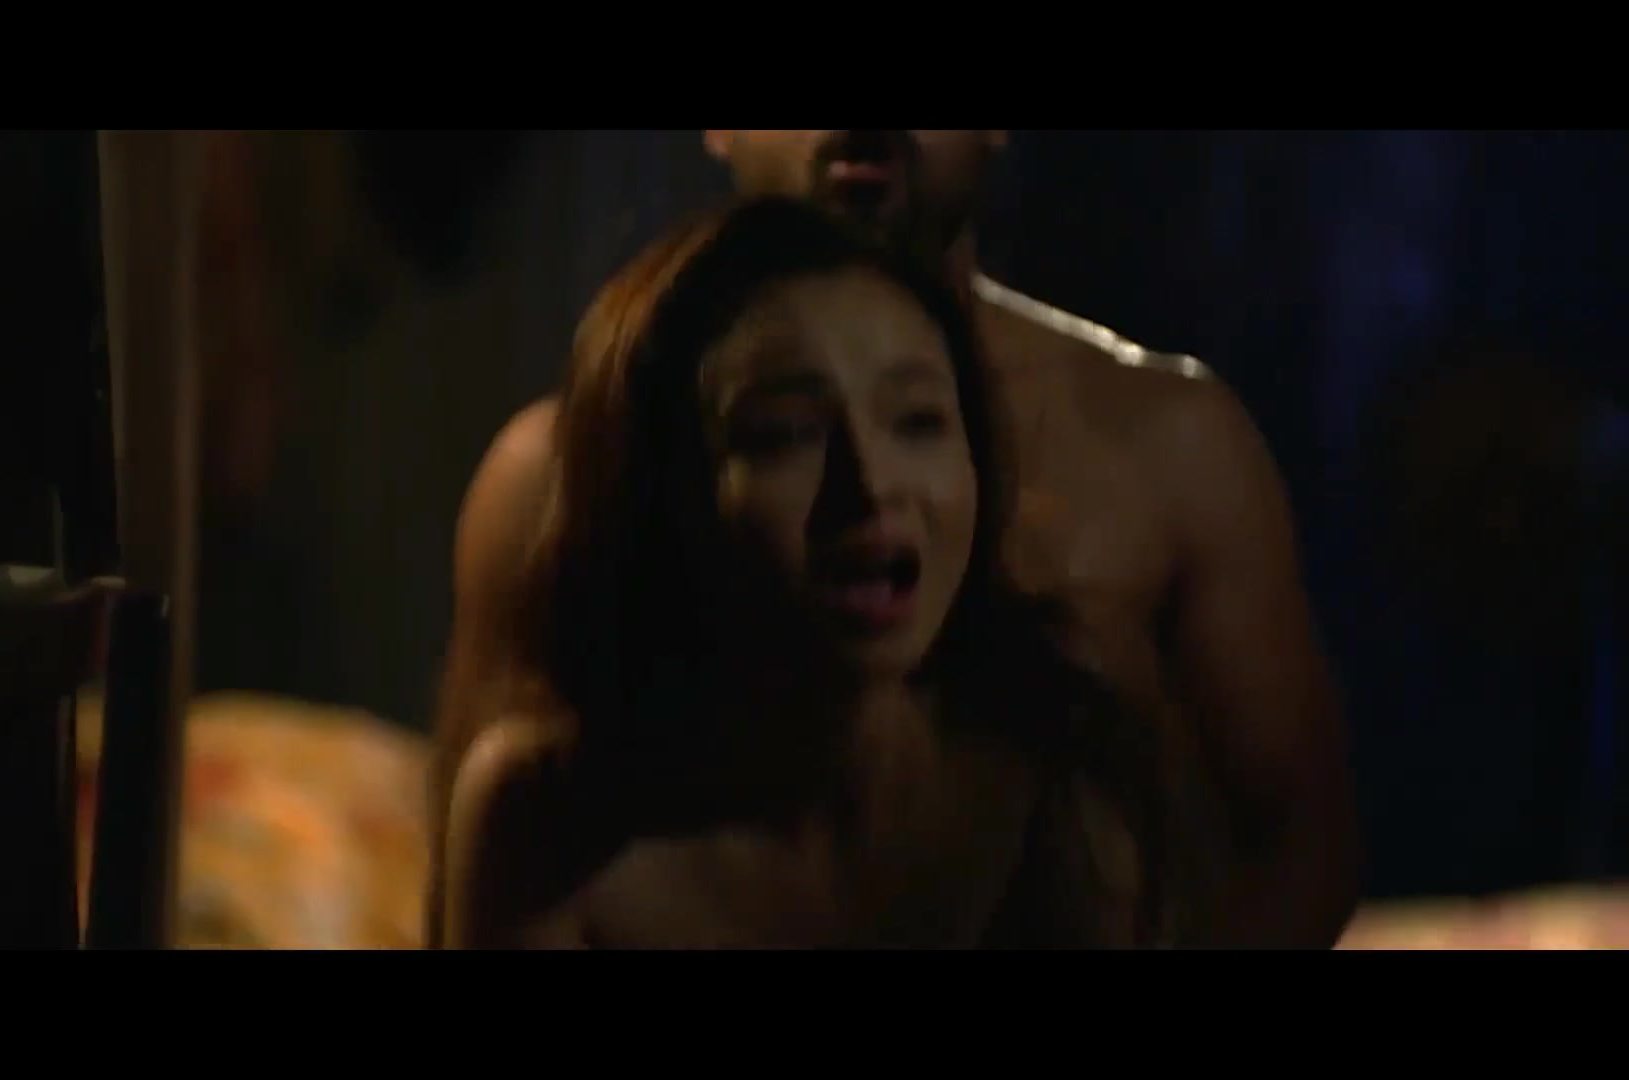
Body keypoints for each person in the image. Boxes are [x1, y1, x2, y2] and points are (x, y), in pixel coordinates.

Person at [435, 131, 1358, 948]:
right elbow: (484, 872)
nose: (870, 491)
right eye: (783, 432)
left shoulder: (1168, 445)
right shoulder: (547, 488)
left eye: (917, 421)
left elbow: (1300, 839)